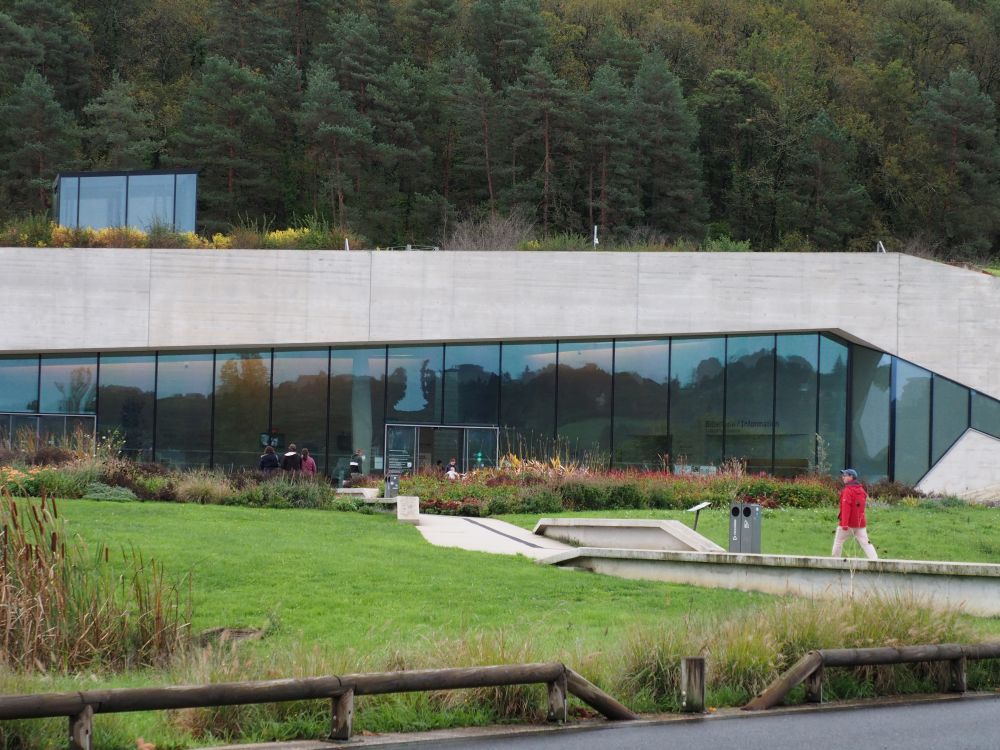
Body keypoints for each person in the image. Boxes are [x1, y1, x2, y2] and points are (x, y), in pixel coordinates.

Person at [832, 469, 878, 560]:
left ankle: (835, 562)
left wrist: (844, 524)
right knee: (866, 543)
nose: (843, 477)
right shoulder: (861, 490)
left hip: (848, 524)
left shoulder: (847, 490)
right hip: (860, 523)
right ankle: (875, 561)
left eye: (845, 475)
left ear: (851, 477)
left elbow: (846, 508)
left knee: (838, 542)